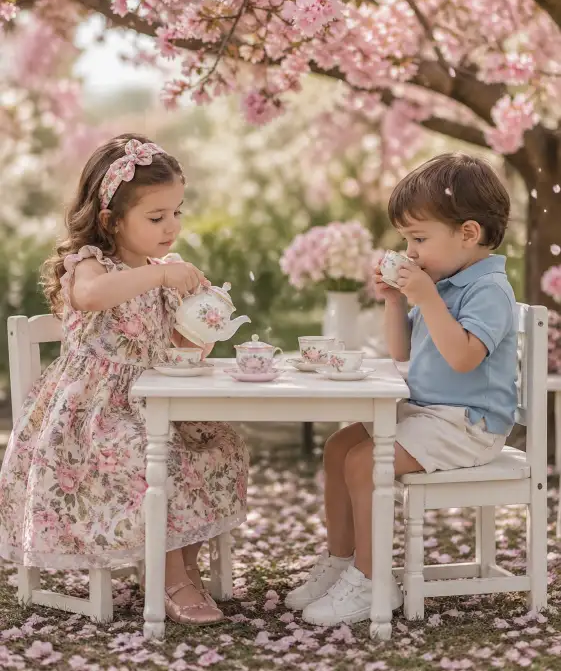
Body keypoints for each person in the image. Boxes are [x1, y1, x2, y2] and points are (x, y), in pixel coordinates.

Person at [0, 134, 249, 625]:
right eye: (156, 218)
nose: (171, 227)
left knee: (218, 445)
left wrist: (200, 330)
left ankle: (182, 564)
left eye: (177, 212)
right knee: (154, 459)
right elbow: (92, 297)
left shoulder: (162, 272)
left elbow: (172, 346)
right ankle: (170, 576)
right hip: (91, 418)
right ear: (111, 220)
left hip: (154, 402)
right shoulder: (91, 265)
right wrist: (158, 278)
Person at [285, 152, 518, 626]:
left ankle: (373, 582)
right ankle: (344, 561)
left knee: (367, 462)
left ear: (468, 233)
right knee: (338, 448)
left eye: (419, 238)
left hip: (468, 424)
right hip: (429, 412)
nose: (409, 251)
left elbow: (463, 357)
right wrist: (396, 301)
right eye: (406, 239)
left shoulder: (487, 289)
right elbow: (401, 352)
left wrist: (426, 296)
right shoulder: (444, 280)